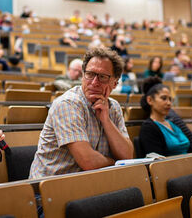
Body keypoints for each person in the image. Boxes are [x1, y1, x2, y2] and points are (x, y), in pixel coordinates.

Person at [29, 47, 133, 178]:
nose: (94, 82)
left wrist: (106, 121)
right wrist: (116, 163)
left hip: (88, 184)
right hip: (49, 189)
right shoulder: (68, 104)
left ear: (115, 83)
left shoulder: (114, 106)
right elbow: (88, 161)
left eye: (102, 77)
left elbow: (127, 155)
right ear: (83, 75)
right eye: (90, 74)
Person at [139, 77, 192, 157]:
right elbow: (158, 163)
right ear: (150, 100)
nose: (168, 103)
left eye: (170, 99)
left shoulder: (173, 123)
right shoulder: (148, 128)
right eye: (163, 98)